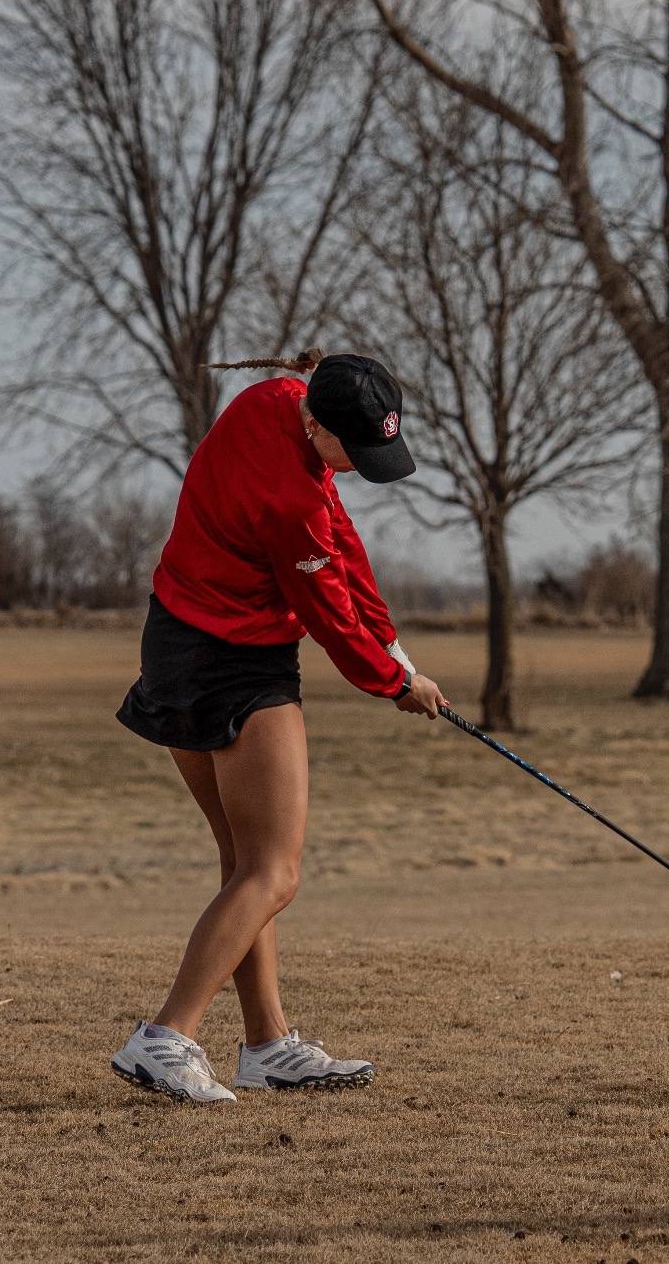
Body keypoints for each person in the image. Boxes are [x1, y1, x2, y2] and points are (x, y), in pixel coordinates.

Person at [110, 349, 449, 1103]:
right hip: (235, 664)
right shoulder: (286, 502)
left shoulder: (276, 399)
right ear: (318, 424)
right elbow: (329, 619)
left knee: (245, 864)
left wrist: (392, 641)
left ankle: (265, 1044)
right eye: (352, 451)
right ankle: (165, 1036)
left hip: (173, 643)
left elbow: (344, 540)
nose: (360, 465)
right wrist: (396, 681)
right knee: (276, 872)